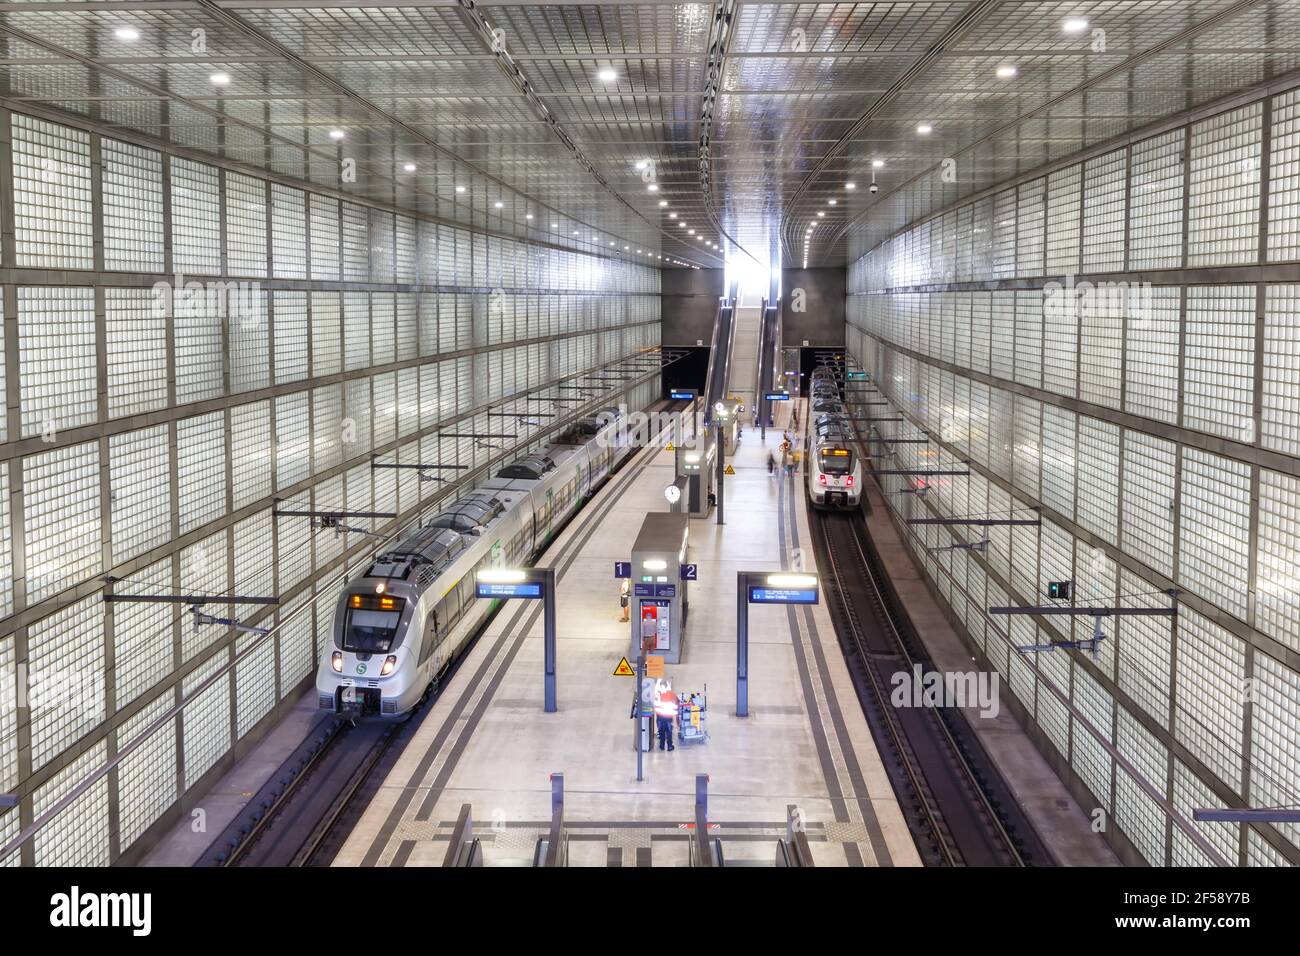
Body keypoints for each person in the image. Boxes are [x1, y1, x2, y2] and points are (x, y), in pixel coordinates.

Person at [653, 680, 678, 751]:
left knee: (662, 732)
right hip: (668, 718)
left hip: (660, 718)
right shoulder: (671, 694)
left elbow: (655, 694)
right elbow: (675, 706)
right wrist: (675, 720)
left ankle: (662, 746)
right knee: (668, 732)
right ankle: (669, 746)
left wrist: (658, 682)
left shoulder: (658, 695)